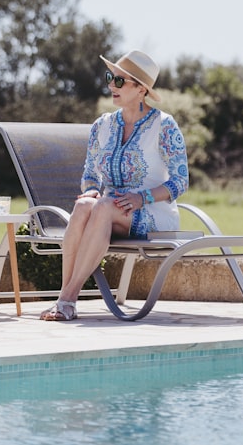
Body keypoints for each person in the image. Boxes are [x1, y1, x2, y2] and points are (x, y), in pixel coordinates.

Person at [40, 49, 189, 322]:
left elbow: (180, 181)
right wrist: (90, 190)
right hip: (106, 212)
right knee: (86, 204)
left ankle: (67, 299)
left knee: (104, 206)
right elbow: (90, 173)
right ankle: (66, 299)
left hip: (154, 212)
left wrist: (141, 198)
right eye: (111, 78)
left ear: (141, 89)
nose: (111, 85)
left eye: (120, 81)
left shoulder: (164, 125)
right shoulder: (102, 126)